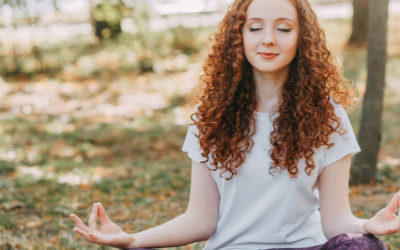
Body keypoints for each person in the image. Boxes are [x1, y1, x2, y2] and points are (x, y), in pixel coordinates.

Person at [70, 0, 400, 249]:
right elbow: (200, 220)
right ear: (238, 36)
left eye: (284, 28)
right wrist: (133, 240)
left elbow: (336, 221)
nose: (268, 39)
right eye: (255, 27)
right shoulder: (210, 118)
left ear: (303, 38)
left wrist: (369, 225)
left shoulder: (329, 117)